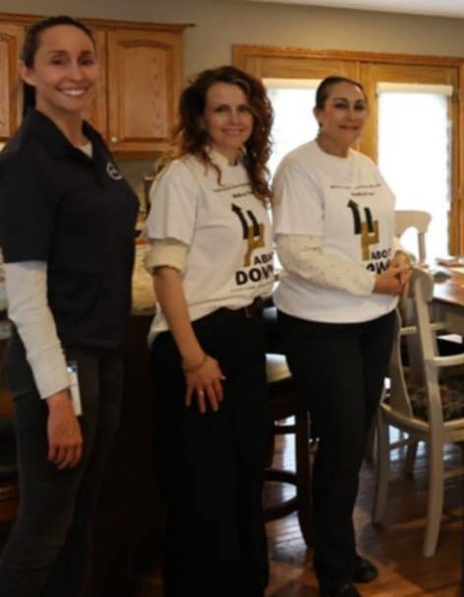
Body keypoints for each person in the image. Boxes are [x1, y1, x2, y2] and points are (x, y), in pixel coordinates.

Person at [0, 16, 138, 595]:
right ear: (28, 71)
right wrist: (57, 398)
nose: (75, 73)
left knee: (81, 514)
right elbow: (27, 294)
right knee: (45, 527)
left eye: (85, 58)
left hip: (103, 352)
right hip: (61, 364)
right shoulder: (27, 160)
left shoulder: (89, 144)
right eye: (57, 60)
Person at [272, 76, 411, 597]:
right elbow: (299, 254)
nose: (351, 115)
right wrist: (372, 281)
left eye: (359, 107)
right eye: (340, 106)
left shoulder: (365, 165)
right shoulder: (299, 168)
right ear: (318, 113)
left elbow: (384, 230)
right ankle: (332, 568)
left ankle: (339, 547)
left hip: (374, 319)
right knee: (341, 442)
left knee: (353, 442)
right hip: (320, 324)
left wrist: (399, 260)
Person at [144, 66, 275, 594]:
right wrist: (194, 358)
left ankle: (247, 583)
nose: (234, 119)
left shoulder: (247, 170)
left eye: (243, 108)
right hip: (198, 340)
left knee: (246, 475)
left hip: (245, 336)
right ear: (200, 116)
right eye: (221, 109)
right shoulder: (184, 175)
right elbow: (165, 272)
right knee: (202, 488)